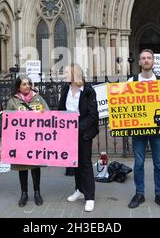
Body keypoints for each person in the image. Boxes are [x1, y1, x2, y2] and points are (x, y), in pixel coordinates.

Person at [127, 49, 160, 210]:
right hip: (138, 130)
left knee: (159, 164)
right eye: (143, 58)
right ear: (139, 62)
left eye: (149, 58)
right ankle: (139, 193)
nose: (146, 60)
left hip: (157, 130)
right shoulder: (132, 81)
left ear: (153, 61)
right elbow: (123, 105)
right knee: (138, 163)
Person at [59, 63, 99, 212]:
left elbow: (93, 115)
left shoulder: (88, 91)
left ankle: (90, 197)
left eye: (67, 72)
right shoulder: (65, 89)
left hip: (84, 133)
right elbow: (61, 109)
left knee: (85, 163)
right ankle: (79, 190)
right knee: (74, 162)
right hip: (68, 133)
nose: (64, 75)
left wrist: (77, 127)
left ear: (75, 74)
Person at [5, 74, 49, 207]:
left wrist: (43, 114)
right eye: (24, 84)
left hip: (36, 140)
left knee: (35, 168)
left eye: (28, 83)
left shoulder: (38, 98)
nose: (27, 86)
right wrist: (0, 114)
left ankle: (37, 192)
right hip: (20, 141)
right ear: (18, 87)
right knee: (22, 168)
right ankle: (24, 193)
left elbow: (48, 113)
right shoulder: (13, 101)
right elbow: (7, 121)